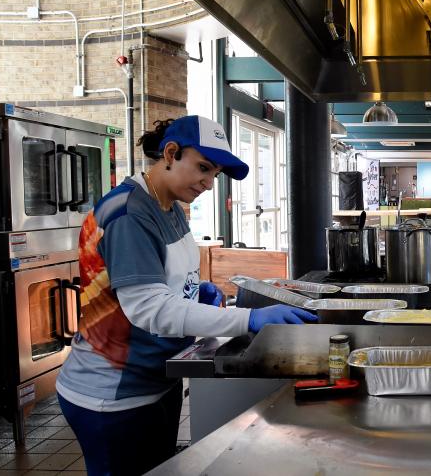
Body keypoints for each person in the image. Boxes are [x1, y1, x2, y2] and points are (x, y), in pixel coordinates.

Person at [56, 116, 317, 476]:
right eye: (203, 168)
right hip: (113, 394)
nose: (209, 183)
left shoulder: (170, 206)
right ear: (171, 153)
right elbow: (149, 308)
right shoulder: (130, 214)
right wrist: (248, 319)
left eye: (216, 174)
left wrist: (193, 292)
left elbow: (160, 283)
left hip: (157, 381)